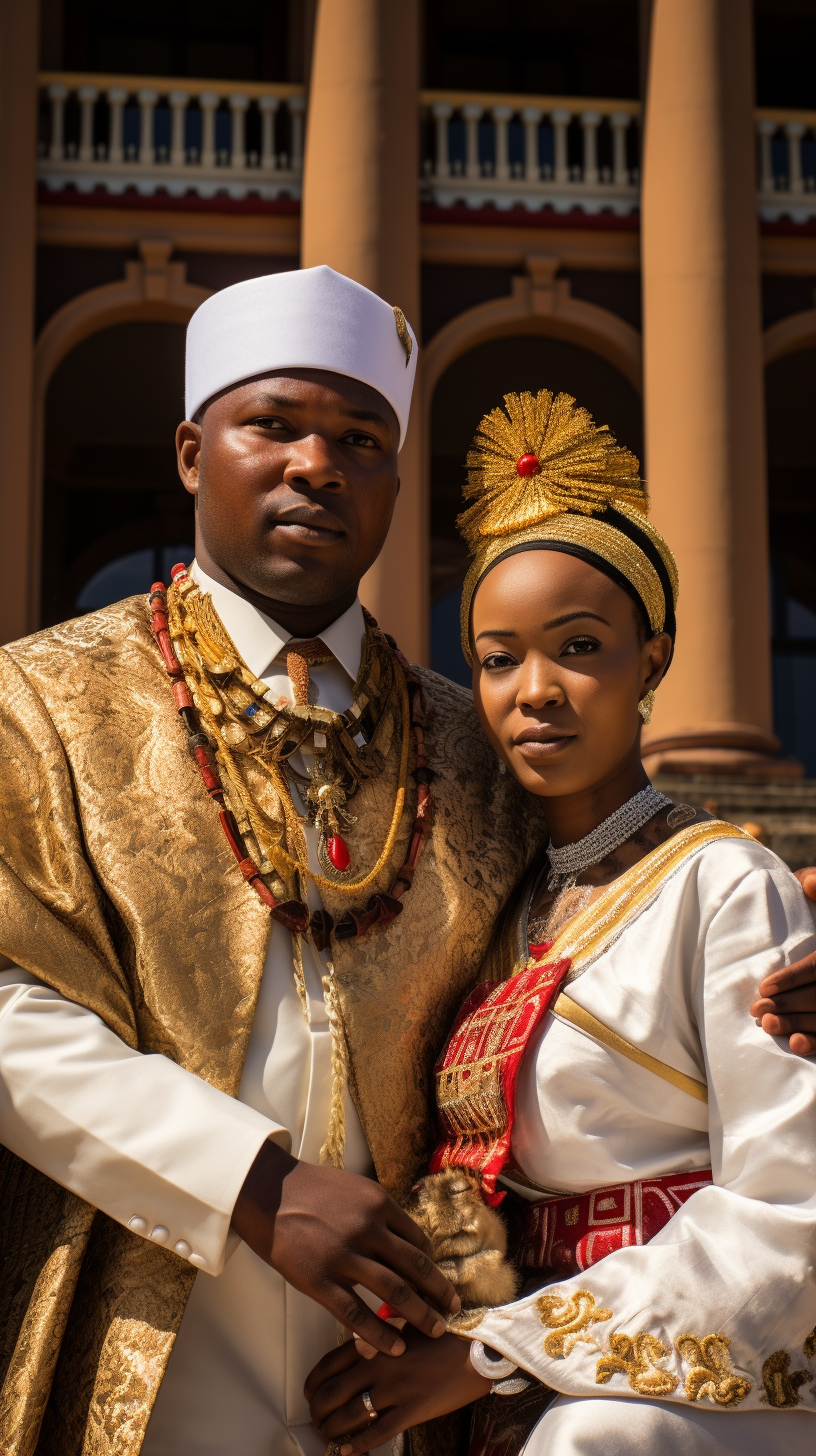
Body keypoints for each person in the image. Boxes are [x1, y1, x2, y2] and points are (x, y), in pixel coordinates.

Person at [0, 268, 545, 1456]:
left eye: (362, 439)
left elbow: (579, 975)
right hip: (149, 1312)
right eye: (276, 425)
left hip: (411, 1362)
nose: (318, 463)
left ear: (396, 481)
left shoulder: (474, 745)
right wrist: (254, 1184)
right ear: (195, 452)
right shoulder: (40, 698)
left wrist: (760, 957)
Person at [305, 389, 816, 1456]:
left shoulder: (727, 884)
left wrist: (503, 1348)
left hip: (669, 1396)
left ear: (655, 660)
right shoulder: (494, 903)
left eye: (578, 647)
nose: (534, 690)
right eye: (498, 658)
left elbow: (793, 1212)